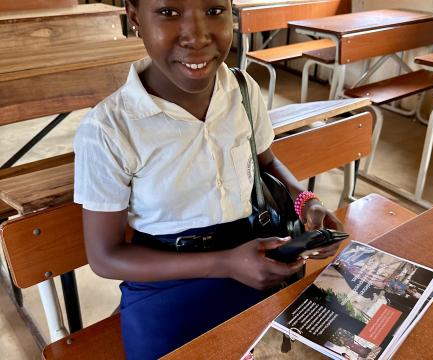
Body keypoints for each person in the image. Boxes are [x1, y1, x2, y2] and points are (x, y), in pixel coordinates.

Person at [73, 0, 344, 359]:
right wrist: (225, 263)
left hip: (259, 259)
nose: (197, 36)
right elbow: (105, 257)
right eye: (169, 13)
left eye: (214, 10)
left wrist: (305, 201)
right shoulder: (109, 129)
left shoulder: (243, 90)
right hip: (168, 284)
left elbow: (267, 162)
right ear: (135, 16)